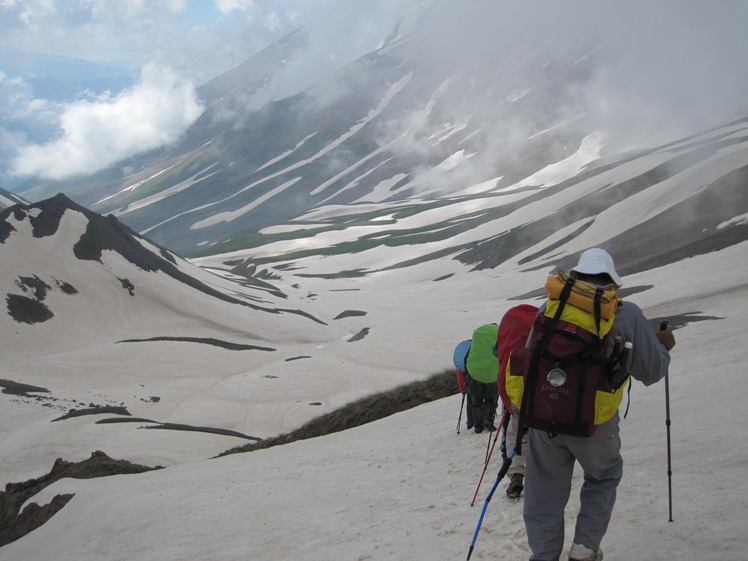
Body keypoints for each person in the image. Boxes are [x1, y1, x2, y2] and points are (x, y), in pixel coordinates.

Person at [522, 248, 675, 561]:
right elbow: (652, 372)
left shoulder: (547, 308)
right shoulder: (626, 313)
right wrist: (664, 347)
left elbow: (530, 361)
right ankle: (583, 549)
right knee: (603, 476)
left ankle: (544, 556)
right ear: (611, 283)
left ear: (576, 277)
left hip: (544, 416)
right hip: (595, 422)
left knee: (544, 493)